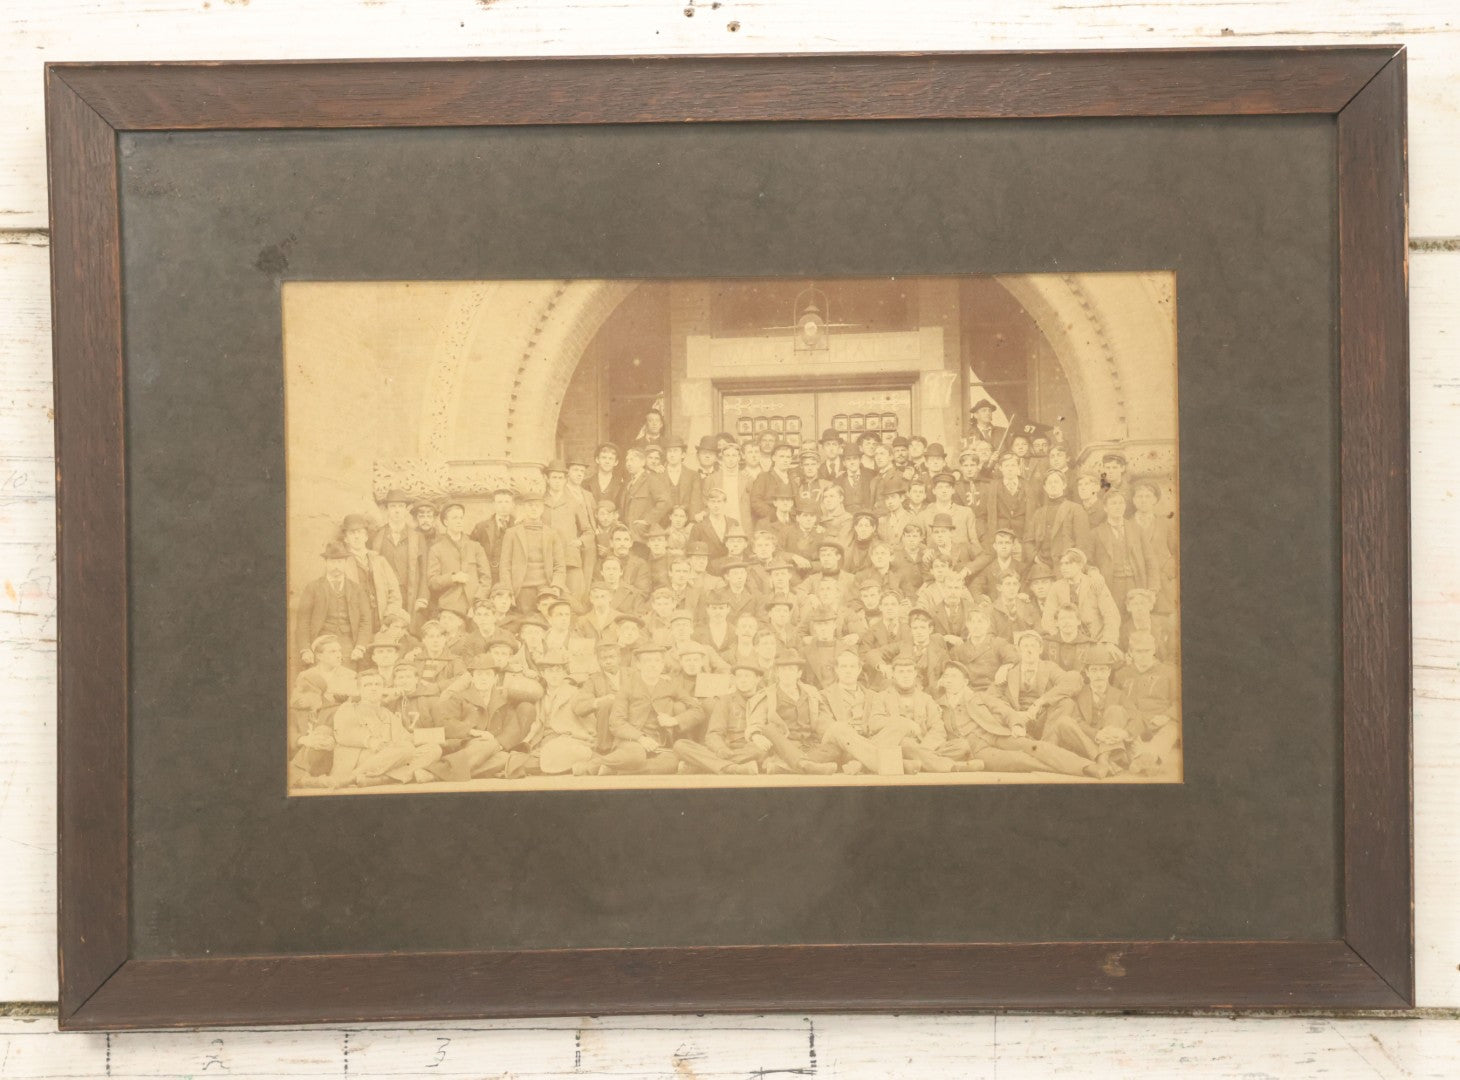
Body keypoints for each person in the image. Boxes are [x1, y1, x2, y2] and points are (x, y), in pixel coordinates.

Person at [936, 661, 1098, 777]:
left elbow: (1005, 711)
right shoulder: (938, 705)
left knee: (1035, 747)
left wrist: (1016, 725)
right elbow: (935, 730)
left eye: (954, 676)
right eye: (946, 676)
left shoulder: (978, 697)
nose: (949, 680)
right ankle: (1072, 769)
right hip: (978, 750)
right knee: (1019, 760)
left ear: (965, 682)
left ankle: (1086, 766)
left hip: (998, 735)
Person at [313, 670, 441, 789]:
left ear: (383, 689)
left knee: (433, 749)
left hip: (386, 759)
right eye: (368, 685)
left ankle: (380, 779)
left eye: (377, 684)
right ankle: (351, 778)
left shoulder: (387, 714)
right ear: (359, 690)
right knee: (406, 749)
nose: (373, 688)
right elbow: (344, 734)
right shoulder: (348, 708)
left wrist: (439, 736)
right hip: (357, 760)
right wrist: (371, 742)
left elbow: (405, 738)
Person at [601, 643, 705, 774]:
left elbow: (697, 710)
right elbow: (616, 722)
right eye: (647, 660)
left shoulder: (670, 685)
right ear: (638, 665)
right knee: (636, 755)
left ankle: (617, 769)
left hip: (660, 745)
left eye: (657, 660)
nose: (652, 664)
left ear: (662, 664)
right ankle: (597, 763)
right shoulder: (627, 686)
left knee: (673, 762)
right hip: (631, 742)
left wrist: (674, 720)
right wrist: (640, 738)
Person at [748, 649, 841, 774]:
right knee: (769, 729)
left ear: (799, 673)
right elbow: (755, 722)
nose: (787, 674)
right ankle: (805, 766)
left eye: (791, 670)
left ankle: (785, 767)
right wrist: (756, 735)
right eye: (783, 670)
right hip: (783, 745)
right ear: (777, 673)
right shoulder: (769, 695)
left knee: (835, 749)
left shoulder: (811, 693)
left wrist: (834, 732)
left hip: (809, 745)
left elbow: (825, 720)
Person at [985, 629, 1083, 742]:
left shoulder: (1049, 667)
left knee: (1066, 703)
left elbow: (1073, 681)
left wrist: (1040, 702)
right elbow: (991, 696)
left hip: (1043, 719)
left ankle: (1047, 745)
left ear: (1040, 649)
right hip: (1017, 719)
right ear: (1019, 650)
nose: (1029, 650)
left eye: (1033, 646)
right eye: (1025, 646)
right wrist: (1013, 715)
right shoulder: (1009, 671)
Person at [674, 662, 768, 775]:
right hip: (725, 748)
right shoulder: (726, 700)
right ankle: (733, 768)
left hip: (748, 749)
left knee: (760, 750)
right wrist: (720, 749)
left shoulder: (765, 700)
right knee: (680, 745)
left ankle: (703, 765)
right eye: (739, 676)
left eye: (747, 676)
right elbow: (714, 733)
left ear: (758, 679)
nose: (743, 680)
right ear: (733, 679)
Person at [296, 540, 371, 667]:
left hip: (349, 641)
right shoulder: (313, 588)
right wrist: (305, 649)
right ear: (325, 563)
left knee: (349, 674)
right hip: (321, 640)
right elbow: (303, 621)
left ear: (345, 563)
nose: (336, 566)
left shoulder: (356, 589)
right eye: (332, 562)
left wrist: (360, 647)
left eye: (340, 562)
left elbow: (366, 620)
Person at [498, 491, 566, 613]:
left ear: (543, 509)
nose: (534, 509)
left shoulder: (552, 533)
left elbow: (559, 565)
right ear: (523, 508)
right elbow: (505, 566)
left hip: (547, 586)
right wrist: (508, 591)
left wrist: (556, 585)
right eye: (530, 505)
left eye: (537, 506)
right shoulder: (512, 533)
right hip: (522, 588)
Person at [371, 489, 429, 623]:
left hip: (410, 593)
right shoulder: (377, 536)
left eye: (400, 506)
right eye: (393, 506)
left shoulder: (417, 537)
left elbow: (424, 569)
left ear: (406, 510)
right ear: (386, 510)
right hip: (386, 594)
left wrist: (422, 596)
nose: (397, 511)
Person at [1043, 546, 1122, 645]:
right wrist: (1059, 638)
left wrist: (1107, 641)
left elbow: (1111, 615)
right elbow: (1047, 617)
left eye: (1068, 563)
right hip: (1067, 642)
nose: (1063, 568)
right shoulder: (1057, 587)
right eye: (1061, 564)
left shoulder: (1094, 583)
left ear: (1080, 565)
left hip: (1095, 640)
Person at [427, 500, 491, 618]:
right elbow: (432, 582)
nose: (459, 521)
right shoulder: (436, 549)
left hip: (475, 606)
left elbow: (486, 578)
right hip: (449, 608)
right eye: (455, 518)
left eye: (461, 518)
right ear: (446, 522)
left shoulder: (475, 546)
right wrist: (452, 578)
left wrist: (477, 604)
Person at [543, 460, 595, 602]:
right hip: (546, 560)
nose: (557, 481)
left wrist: (579, 542)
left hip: (570, 559)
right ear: (547, 479)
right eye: (554, 477)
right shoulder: (540, 502)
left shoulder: (573, 503)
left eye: (561, 478)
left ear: (565, 480)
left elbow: (589, 531)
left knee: (575, 599)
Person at [1025, 470, 1089, 570]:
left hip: (1067, 565)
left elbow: (1082, 543)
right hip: (1042, 566)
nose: (1053, 485)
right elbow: (1028, 541)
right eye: (1049, 483)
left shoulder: (1075, 509)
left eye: (1056, 482)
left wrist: (1072, 562)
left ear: (1064, 485)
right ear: (1045, 488)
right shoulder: (1039, 513)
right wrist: (1036, 558)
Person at [619, 445, 674, 533]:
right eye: (627, 460)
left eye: (633, 460)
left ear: (643, 462)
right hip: (628, 532)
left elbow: (666, 502)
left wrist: (648, 521)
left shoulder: (650, 479)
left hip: (642, 532)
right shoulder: (628, 482)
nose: (629, 463)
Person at [470, 487, 518, 570]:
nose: (503, 506)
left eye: (507, 502)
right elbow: (471, 552)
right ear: (493, 505)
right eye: (499, 502)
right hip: (489, 573)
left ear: (513, 505)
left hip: (512, 573)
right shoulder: (481, 527)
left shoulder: (519, 526)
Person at [661, 436, 703, 520]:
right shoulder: (658, 474)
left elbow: (695, 502)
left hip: (686, 521)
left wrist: (691, 522)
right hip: (663, 522)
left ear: (683, 455)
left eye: (675, 451)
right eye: (669, 451)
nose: (672, 454)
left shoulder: (693, 475)